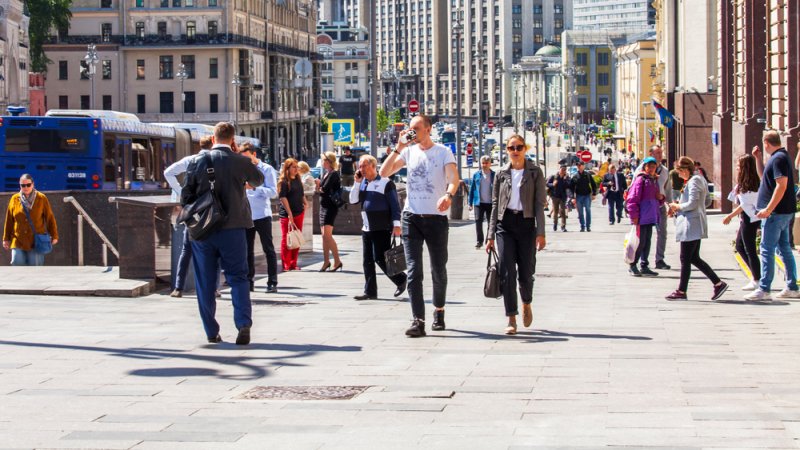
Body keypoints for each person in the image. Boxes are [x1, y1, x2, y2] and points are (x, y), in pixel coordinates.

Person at [181, 122, 264, 345]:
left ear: (214, 137)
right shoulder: (240, 161)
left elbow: (185, 195)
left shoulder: (196, 161)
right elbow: (258, 180)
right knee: (238, 277)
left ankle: (211, 331)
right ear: (232, 139)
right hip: (234, 228)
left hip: (203, 231)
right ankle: (243, 324)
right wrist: (247, 162)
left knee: (205, 281)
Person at [379, 114, 459, 337]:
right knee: (414, 271)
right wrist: (398, 145)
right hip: (411, 217)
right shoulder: (408, 151)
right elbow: (384, 173)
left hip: (436, 218)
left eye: (416, 128)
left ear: (428, 129)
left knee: (438, 269)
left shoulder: (443, 152)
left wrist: (448, 195)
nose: (411, 132)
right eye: (409, 129)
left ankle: (439, 311)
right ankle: (418, 320)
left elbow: (453, 178)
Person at [485, 135, 547, 335]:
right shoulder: (501, 173)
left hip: (527, 223)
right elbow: (495, 204)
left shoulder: (535, 172)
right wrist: (490, 235)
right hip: (506, 225)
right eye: (512, 147)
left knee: (526, 272)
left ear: (524, 149)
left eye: (519, 147)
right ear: (507, 150)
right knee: (506, 271)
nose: (515, 150)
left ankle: (526, 302)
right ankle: (511, 317)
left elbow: (539, 204)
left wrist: (541, 233)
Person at [745, 131, 800, 301]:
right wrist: (758, 159)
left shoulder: (778, 159)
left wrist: (768, 209)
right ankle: (792, 287)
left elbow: (781, 185)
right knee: (783, 248)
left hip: (776, 213)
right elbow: (765, 180)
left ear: (766, 143)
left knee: (766, 249)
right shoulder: (779, 157)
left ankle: (764, 289)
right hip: (781, 212)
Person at [665, 157, 728, 300]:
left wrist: (677, 206)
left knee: (685, 258)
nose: (679, 175)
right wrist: (684, 205)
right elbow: (707, 201)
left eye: (679, 172)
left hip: (691, 224)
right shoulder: (698, 179)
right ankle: (718, 283)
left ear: (685, 170)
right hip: (694, 222)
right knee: (693, 258)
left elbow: (693, 203)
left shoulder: (694, 181)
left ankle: (682, 291)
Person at [349, 155, 408, 299]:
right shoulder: (362, 182)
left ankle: (401, 279)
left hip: (381, 226)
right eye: (360, 166)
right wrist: (356, 183)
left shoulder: (385, 183)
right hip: (367, 226)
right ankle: (370, 291)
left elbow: (395, 205)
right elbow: (353, 200)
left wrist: (396, 225)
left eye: (364, 166)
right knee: (367, 260)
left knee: (380, 258)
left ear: (373, 166)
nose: (361, 169)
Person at [165, 136, 214, 297]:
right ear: (213, 143)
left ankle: (179, 287)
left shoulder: (190, 160)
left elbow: (168, 172)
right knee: (213, 249)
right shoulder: (216, 160)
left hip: (192, 209)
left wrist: (180, 192)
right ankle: (213, 287)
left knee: (187, 249)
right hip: (211, 209)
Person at [240, 143, 279, 294]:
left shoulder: (267, 169)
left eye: (247, 158)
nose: (245, 162)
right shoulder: (242, 170)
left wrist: (255, 188)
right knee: (247, 250)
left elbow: (273, 192)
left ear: (254, 155)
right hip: (246, 215)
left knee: (268, 248)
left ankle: (272, 281)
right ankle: (249, 281)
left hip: (262, 214)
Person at [722, 154, 761, 291]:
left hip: (750, 219)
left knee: (749, 249)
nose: (737, 168)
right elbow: (744, 205)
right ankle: (756, 276)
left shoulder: (750, 185)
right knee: (740, 246)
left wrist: (731, 215)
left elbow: (746, 205)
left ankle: (757, 279)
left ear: (745, 167)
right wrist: (731, 216)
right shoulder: (746, 183)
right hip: (747, 218)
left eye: (739, 165)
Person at [3, 174, 59, 266]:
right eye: (23, 185)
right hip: (18, 240)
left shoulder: (41, 198)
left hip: (36, 241)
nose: (26, 187)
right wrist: (6, 239)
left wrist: (54, 235)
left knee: (35, 266)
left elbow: (49, 218)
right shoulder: (14, 199)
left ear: (33, 184)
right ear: (20, 186)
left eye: (28, 185)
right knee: (16, 263)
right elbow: (9, 220)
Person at [626, 156, 665, 277]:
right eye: (649, 166)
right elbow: (632, 199)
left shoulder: (654, 180)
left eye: (654, 166)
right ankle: (633, 265)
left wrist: (661, 198)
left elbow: (657, 200)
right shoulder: (641, 180)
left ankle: (644, 265)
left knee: (647, 242)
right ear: (645, 167)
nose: (652, 168)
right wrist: (634, 216)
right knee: (640, 242)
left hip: (651, 216)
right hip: (641, 217)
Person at [636, 146, 673, 270]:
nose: (660, 155)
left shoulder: (665, 171)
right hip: (645, 209)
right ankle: (640, 262)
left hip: (660, 207)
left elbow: (667, 189)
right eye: (657, 153)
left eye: (661, 152)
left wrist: (671, 204)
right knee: (644, 236)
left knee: (662, 233)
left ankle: (659, 259)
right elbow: (633, 190)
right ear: (650, 153)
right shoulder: (640, 172)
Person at [277, 158, 308, 271]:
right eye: (294, 167)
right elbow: (283, 197)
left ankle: (293, 263)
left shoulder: (298, 180)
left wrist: (305, 203)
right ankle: (286, 264)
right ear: (287, 168)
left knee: (296, 238)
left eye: (297, 167)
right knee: (287, 238)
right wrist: (289, 213)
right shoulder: (284, 182)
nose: (296, 169)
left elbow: (301, 193)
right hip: (287, 214)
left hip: (299, 212)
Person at [316, 152, 343, 272]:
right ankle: (326, 261)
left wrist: (318, 185)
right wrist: (320, 187)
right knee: (324, 236)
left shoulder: (333, 174)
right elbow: (322, 189)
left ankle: (337, 261)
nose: (322, 162)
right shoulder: (326, 174)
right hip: (323, 206)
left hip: (330, 207)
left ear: (329, 161)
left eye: (323, 160)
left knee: (327, 235)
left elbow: (324, 189)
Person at [468, 155, 495, 248]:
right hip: (478, 203)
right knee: (478, 221)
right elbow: (472, 189)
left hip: (491, 203)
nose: (484, 165)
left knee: (490, 223)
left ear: (490, 164)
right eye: (483, 163)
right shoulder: (476, 175)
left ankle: (488, 240)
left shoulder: (494, 175)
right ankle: (479, 241)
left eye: (486, 163)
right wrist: (470, 203)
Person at [571, 161, 597, 232]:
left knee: (588, 210)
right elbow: (571, 187)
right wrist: (572, 198)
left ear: (583, 166)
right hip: (579, 196)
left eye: (580, 165)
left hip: (587, 196)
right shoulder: (575, 176)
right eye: (578, 165)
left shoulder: (588, 175)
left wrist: (594, 194)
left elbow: (593, 184)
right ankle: (582, 226)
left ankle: (588, 226)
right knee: (580, 212)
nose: (579, 167)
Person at [546, 165, 572, 232]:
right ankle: (555, 224)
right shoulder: (553, 177)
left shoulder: (566, 178)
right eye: (562, 169)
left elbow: (569, 186)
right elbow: (547, 184)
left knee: (563, 212)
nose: (563, 171)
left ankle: (563, 226)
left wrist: (565, 179)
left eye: (564, 170)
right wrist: (552, 184)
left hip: (562, 197)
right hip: (555, 197)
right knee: (555, 211)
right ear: (559, 169)